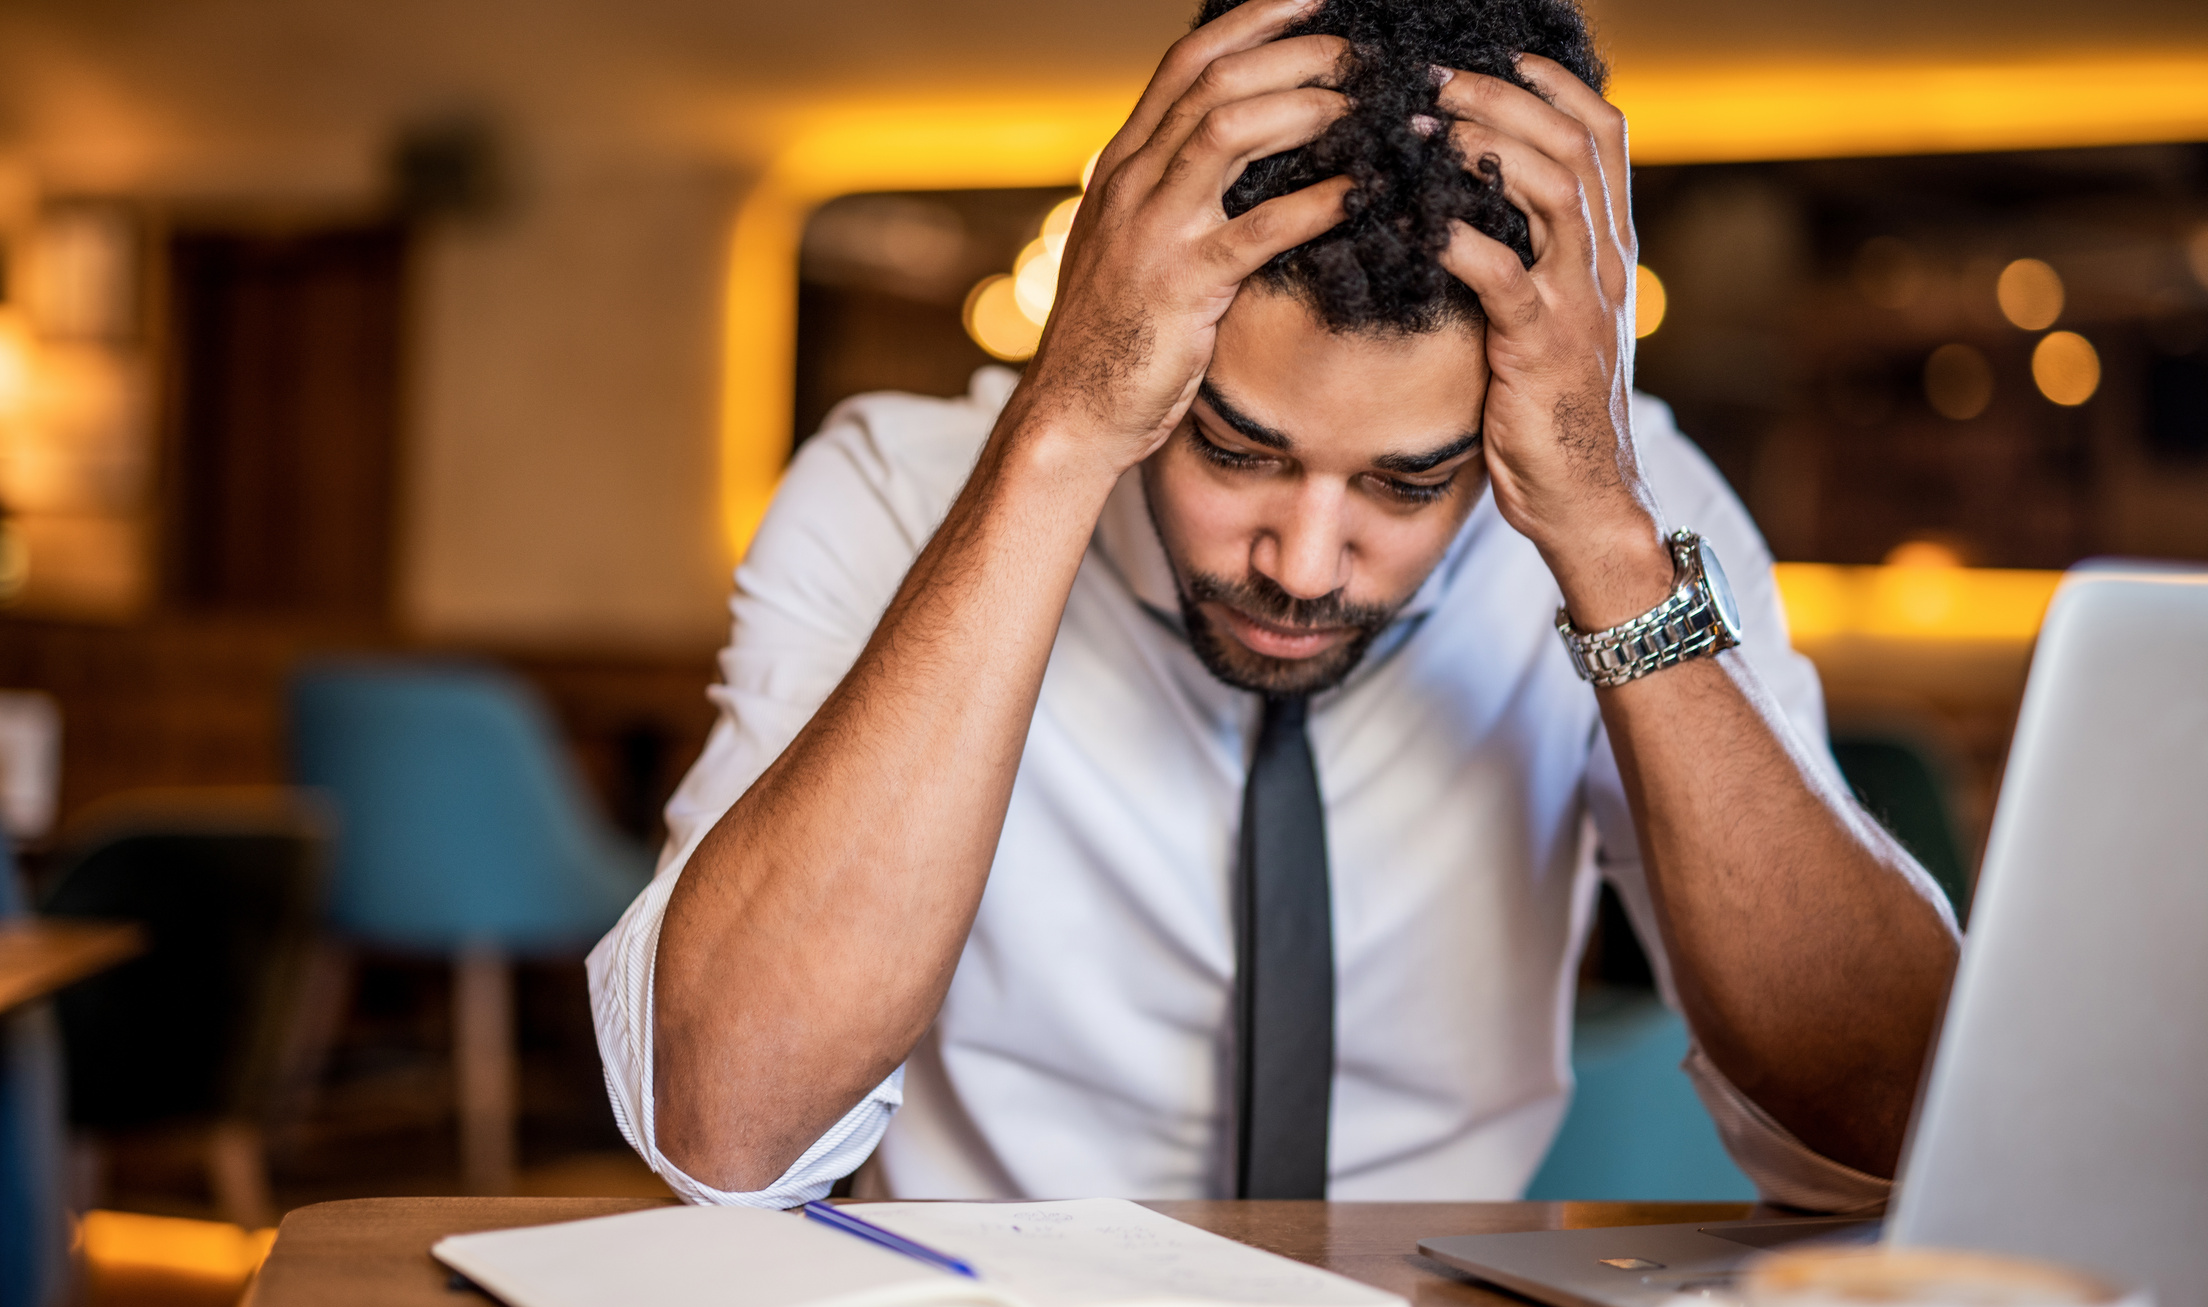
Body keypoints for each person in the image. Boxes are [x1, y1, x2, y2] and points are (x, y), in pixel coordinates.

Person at [589, 0, 1960, 1210]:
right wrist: (1065, 428)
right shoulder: (890, 492)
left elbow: (1900, 1123)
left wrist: (1602, 532)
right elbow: (728, 1127)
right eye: (1236, 452)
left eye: (1411, 482)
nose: (1305, 564)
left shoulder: (1637, 517)